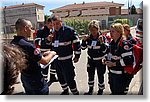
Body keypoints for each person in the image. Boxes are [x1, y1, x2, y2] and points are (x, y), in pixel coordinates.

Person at [11, 18, 56, 95]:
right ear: (25, 28)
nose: (32, 30)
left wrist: (41, 53)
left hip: (25, 77)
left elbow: (29, 56)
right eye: (31, 28)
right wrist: (52, 53)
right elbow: (44, 61)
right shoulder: (28, 45)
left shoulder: (13, 43)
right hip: (35, 79)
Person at [48, 15, 81, 95]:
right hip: (56, 60)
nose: (56, 26)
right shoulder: (52, 32)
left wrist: (77, 56)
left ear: (61, 22)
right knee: (60, 77)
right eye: (54, 24)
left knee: (69, 78)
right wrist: (48, 40)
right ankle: (65, 91)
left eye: (57, 23)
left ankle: (75, 93)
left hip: (66, 60)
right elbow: (51, 45)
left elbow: (76, 43)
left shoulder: (69, 30)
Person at [104, 23, 134, 95]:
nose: (110, 33)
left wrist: (114, 64)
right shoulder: (112, 43)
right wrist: (105, 60)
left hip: (121, 77)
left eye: (113, 31)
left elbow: (128, 60)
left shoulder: (124, 44)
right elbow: (109, 55)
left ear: (119, 32)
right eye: (110, 31)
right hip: (112, 75)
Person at [81, 20, 108, 95]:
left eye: (94, 30)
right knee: (90, 75)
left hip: (100, 60)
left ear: (98, 29)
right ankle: (90, 90)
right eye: (91, 30)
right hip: (91, 60)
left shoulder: (102, 38)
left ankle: (101, 90)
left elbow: (105, 50)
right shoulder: (89, 38)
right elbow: (83, 48)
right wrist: (84, 41)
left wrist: (102, 43)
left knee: (100, 75)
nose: (92, 32)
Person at [34, 17, 58, 83]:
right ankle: (44, 80)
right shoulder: (41, 31)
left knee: (53, 65)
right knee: (45, 67)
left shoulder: (53, 30)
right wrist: (46, 39)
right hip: (44, 52)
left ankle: (53, 77)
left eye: (53, 25)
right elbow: (36, 41)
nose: (52, 26)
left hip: (52, 52)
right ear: (46, 24)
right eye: (50, 25)